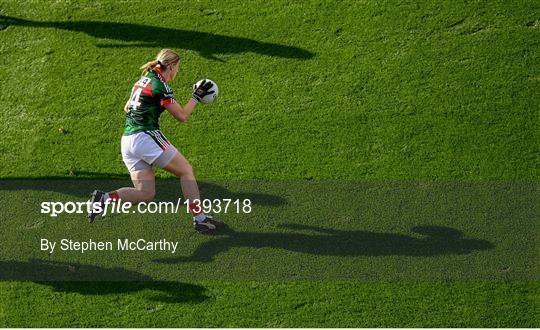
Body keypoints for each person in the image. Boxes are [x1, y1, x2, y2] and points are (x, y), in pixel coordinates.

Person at [88, 48, 224, 235]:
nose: (178, 72)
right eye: (178, 68)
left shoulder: (142, 81)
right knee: (186, 171)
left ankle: (104, 199)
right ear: (172, 66)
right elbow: (182, 116)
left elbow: (127, 107)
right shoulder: (160, 86)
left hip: (127, 141)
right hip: (145, 137)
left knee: (146, 194)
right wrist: (196, 97)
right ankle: (200, 219)